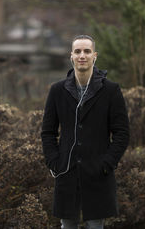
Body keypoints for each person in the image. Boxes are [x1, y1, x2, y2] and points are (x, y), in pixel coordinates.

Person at [41, 35, 130, 228]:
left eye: (87, 51)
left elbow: (122, 133)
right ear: (71, 56)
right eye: (78, 51)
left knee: (96, 225)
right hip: (66, 171)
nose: (82, 55)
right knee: (67, 225)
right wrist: (54, 162)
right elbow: (47, 132)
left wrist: (107, 164)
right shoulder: (57, 90)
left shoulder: (111, 90)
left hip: (98, 173)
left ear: (94, 56)